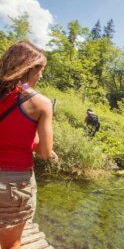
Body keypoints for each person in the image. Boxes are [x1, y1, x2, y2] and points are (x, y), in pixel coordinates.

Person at [0, 41, 58, 249]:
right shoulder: (40, 103)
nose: (41, 75)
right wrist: (43, 148)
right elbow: (45, 152)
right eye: (40, 69)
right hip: (14, 185)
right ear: (28, 67)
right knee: (11, 244)